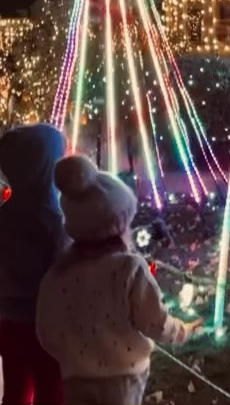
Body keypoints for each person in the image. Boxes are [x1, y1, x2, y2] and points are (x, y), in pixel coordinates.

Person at [36, 154, 201, 405]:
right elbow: (154, 322)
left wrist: (74, 357)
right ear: (118, 225)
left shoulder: (58, 273)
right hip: (123, 380)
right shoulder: (128, 268)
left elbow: (46, 331)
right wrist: (182, 330)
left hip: (75, 379)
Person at [0, 124, 67, 405]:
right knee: (50, 390)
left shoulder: (4, 215)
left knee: (16, 389)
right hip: (45, 326)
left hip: (8, 321)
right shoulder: (53, 221)